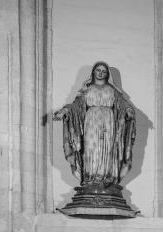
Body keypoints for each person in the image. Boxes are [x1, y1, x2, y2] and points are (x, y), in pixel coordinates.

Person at [53, 61, 136, 190]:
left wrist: (128, 110)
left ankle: (107, 177)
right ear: (93, 72)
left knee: (107, 148)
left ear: (107, 74)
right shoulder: (87, 89)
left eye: (104, 71)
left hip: (108, 122)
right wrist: (64, 111)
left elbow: (122, 103)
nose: (100, 73)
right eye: (98, 70)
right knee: (91, 148)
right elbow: (76, 105)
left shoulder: (112, 90)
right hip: (91, 122)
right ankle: (90, 177)